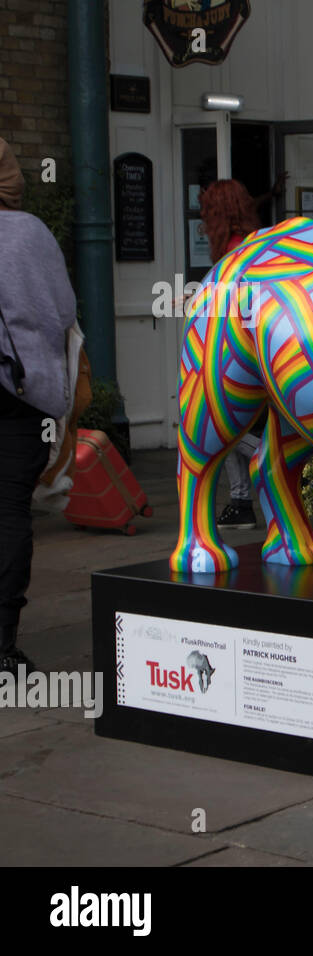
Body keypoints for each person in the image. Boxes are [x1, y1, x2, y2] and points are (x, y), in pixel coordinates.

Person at [0, 137, 76, 674]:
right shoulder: (28, 233)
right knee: (8, 514)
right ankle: (2, 646)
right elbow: (64, 309)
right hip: (16, 395)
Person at [197, 178, 269, 530]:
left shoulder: (230, 263)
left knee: (217, 422)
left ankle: (245, 493)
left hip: (245, 360)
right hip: (275, 359)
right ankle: (241, 500)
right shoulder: (262, 249)